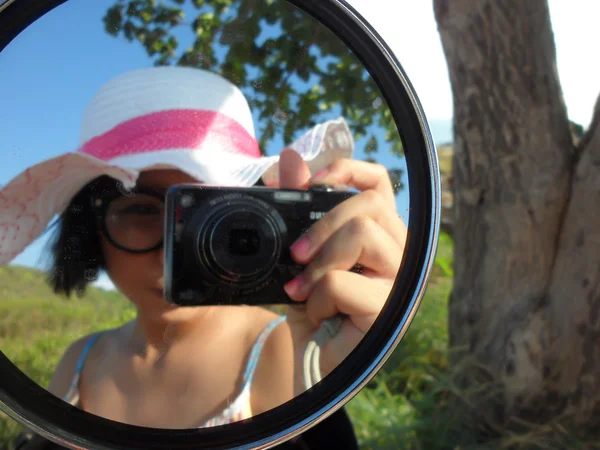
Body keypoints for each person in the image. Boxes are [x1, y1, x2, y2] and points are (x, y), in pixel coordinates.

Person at [2, 66, 406, 448]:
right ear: (90, 229)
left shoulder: (294, 352)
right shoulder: (79, 360)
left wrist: (323, 407)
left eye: (207, 216)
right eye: (141, 210)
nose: (174, 247)